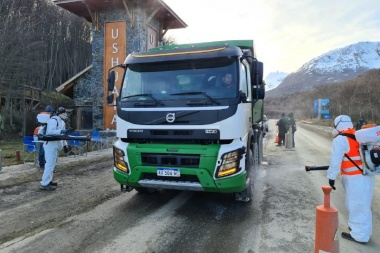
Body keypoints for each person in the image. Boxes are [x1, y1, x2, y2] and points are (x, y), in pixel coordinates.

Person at [327, 115, 375, 244]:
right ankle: (361, 229)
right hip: (367, 176)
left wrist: (331, 177)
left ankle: (360, 236)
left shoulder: (341, 139)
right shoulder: (359, 136)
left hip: (355, 178)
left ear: (337, 125)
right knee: (363, 204)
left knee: (356, 205)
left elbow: (335, 161)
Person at [39, 107, 70, 191]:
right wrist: (61, 131)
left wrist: (65, 145)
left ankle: (48, 180)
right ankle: (44, 183)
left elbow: (62, 136)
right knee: (49, 164)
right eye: (64, 113)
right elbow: (50, 132)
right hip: (50, 145)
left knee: (52, 164)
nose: (65, 115)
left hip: (56, 145)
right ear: (60, 113)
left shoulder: (62, 122)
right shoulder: (53, 120)